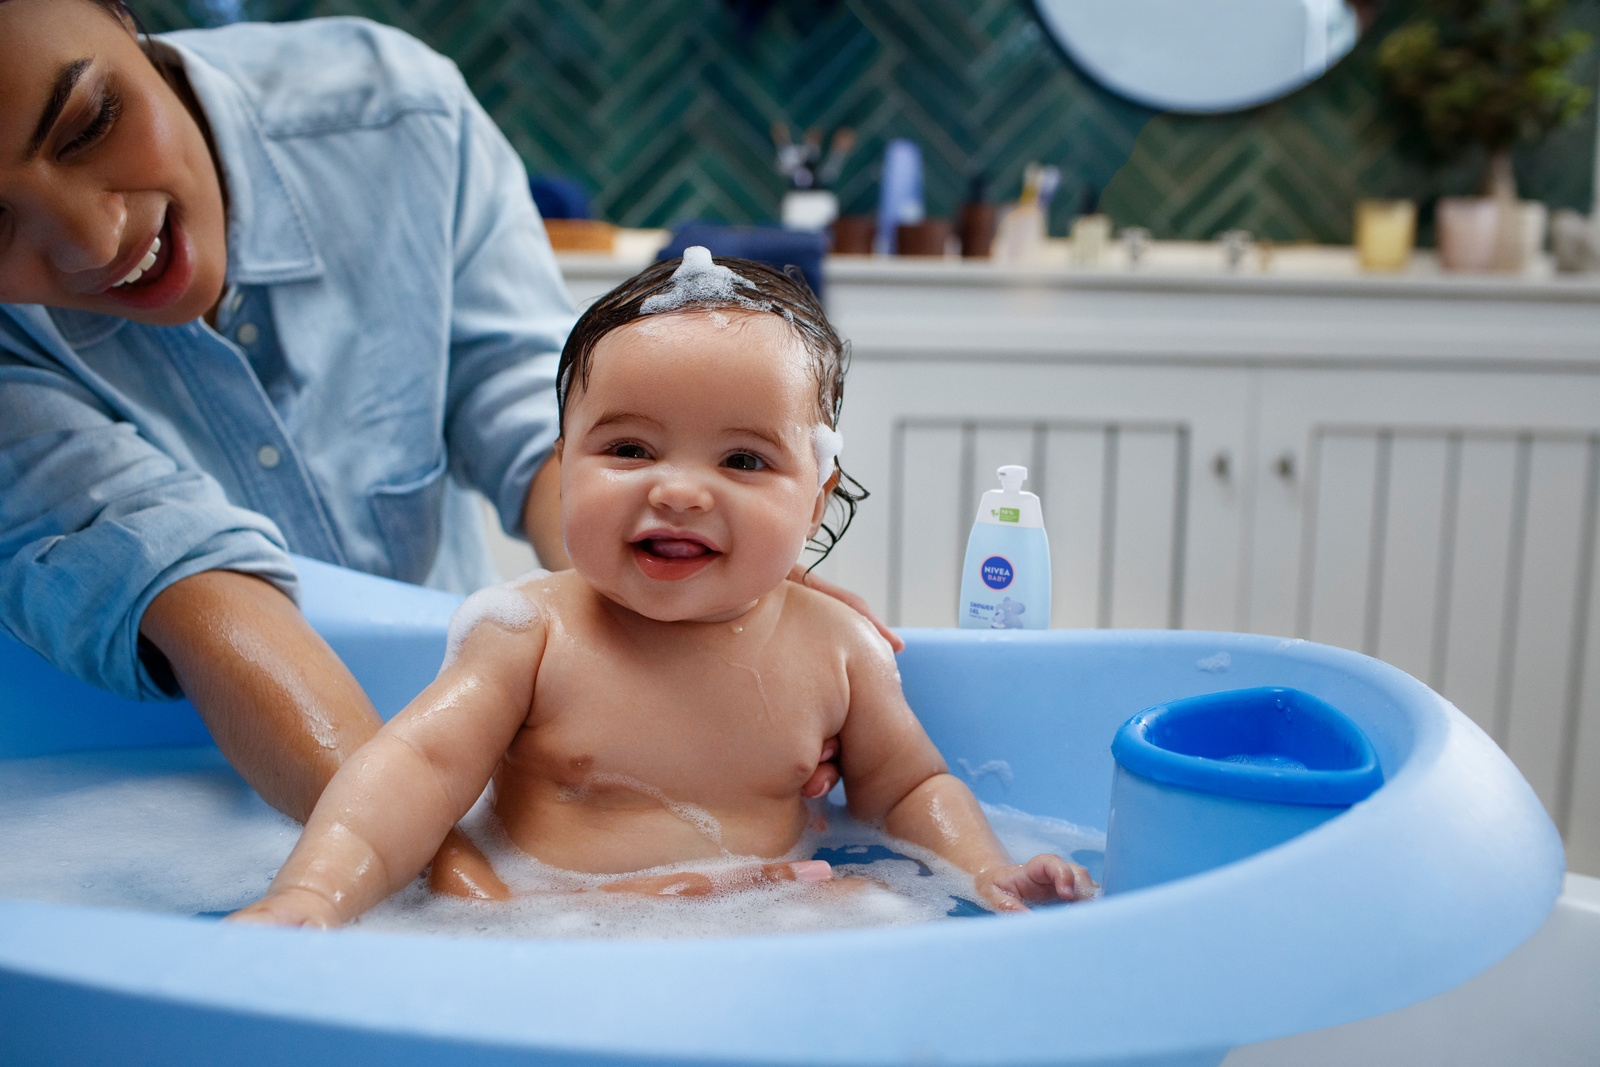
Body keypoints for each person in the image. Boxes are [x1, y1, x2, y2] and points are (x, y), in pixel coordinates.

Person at [0, 2, 886, 893]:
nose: (93, 240)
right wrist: (464, 889)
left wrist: (703, 605)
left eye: (89, 124)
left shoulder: (395, 117)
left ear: (125, 14)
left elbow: (537, 418)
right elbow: (183, 578)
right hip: (190, 778)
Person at [231, 251, 1096, 928]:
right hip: (552, 932)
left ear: (817, 498)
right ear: (564, 465)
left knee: (863, 909)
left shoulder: (838, 649)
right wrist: (313, 893)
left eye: (743, 459)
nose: (679, 490)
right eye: (630, 449)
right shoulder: (531, 633)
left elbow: (906, 791)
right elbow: (413, 771)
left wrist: (985, 868)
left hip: (774, 922)